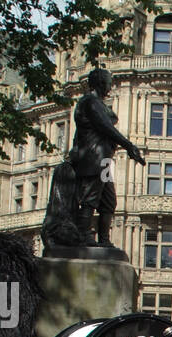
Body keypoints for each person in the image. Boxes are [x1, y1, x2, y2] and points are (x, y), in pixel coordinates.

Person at [68, 67, 144, 247]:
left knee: (109, 201)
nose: (110, 88)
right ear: (101, 83)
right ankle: (82, 235)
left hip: (104, 161)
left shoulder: (97, 103)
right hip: (93, 158)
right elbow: (105, 126)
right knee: (90, 197)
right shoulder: (90, 102)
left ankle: (104, 239)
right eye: (109, 83)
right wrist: (128, 145)